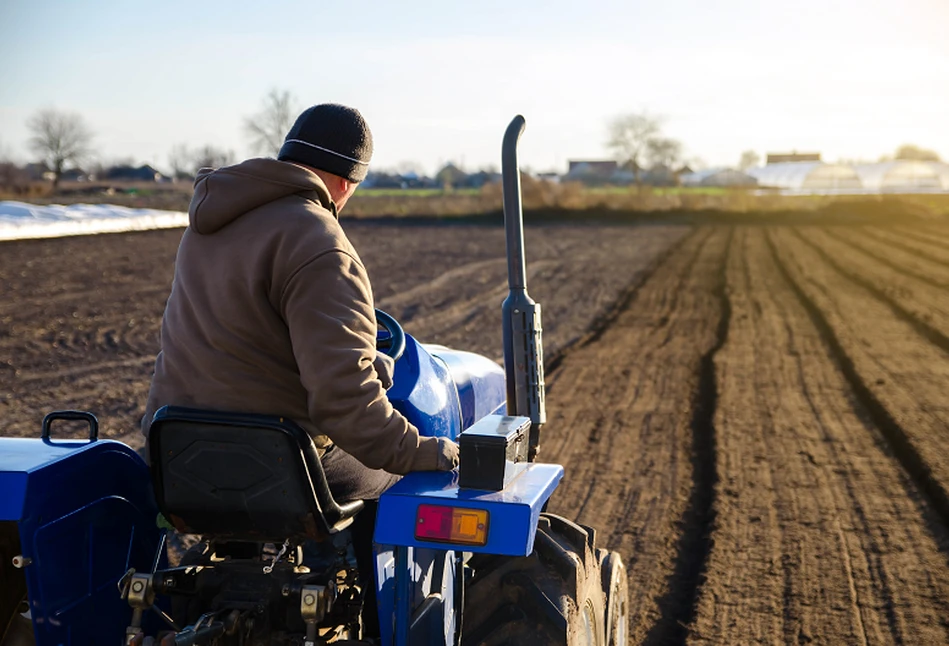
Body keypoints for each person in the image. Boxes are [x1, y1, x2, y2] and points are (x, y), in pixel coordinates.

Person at [141, 103, 459, 504]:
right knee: (400, 481)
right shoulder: (319, 241)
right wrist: (423, 451)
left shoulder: (210, 222)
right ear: (346, 182)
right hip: (272, 459)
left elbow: (253, 341)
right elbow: (343, 401)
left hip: (174, 447)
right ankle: (356, 568)